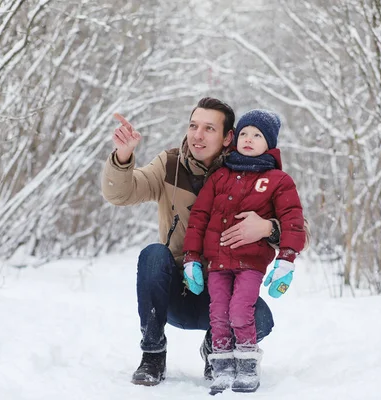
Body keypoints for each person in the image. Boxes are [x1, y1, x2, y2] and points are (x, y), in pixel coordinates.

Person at [101, 98, 282, 386]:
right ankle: (153, 353)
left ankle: (216, 349)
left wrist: (268, 227)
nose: (197, 135)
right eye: (193, 126)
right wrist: (122, 157)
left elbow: (299, 228)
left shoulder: (253, 174)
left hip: (223, 289)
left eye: (209, 128)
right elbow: (121, 194)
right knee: (153, 254)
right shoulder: (170, 165)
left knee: (261, 319)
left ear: (227, 138)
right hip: (177, 290)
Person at [182, 109, 306, 394]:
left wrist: (286, 259)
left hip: (250, 263)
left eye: (257, 135)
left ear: (269, 143)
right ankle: (222, 367)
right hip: (216, 264)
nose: (249, 139)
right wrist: (191, 258)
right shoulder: (219, 177)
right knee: (218, 315)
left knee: (240, 311)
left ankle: (248, 363)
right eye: (244, 134)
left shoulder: (278, 180)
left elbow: (292, 219)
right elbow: (199, 218)